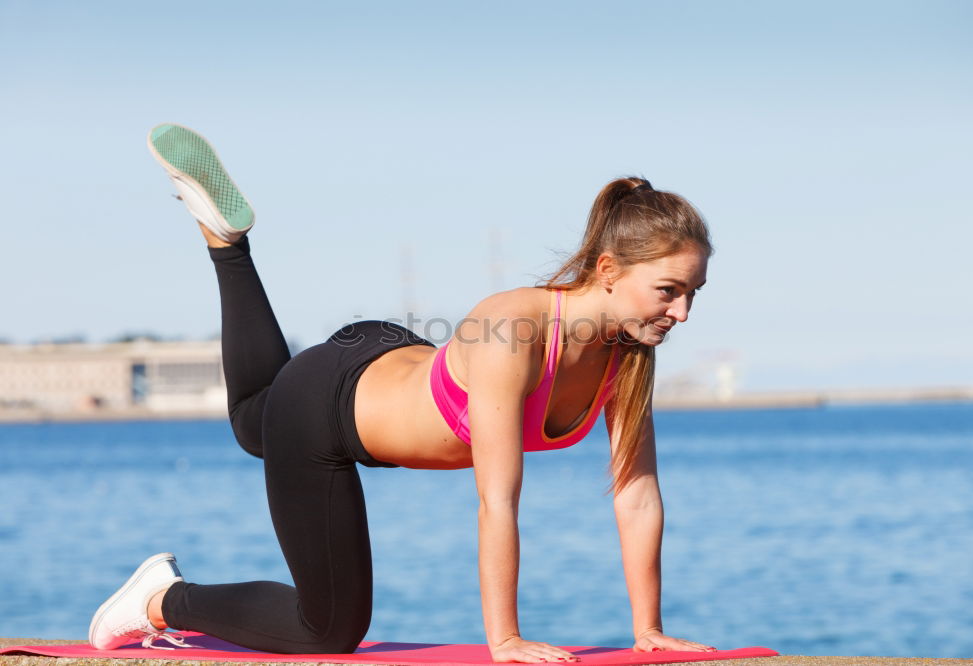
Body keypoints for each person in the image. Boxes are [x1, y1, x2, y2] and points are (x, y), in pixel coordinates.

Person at [88, 124, 715, 662]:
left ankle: (226, 243)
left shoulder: (627, 352)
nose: (682, 312)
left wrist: (648, 629)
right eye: (669, 290)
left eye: (693, 293)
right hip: (328, 405)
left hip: (384, 355)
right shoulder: (515, 330)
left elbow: (636, 495)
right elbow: (497, 499)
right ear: (608, 271)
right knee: (327, 628)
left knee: (256, 425)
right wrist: (505, 638)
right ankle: (159, 598)